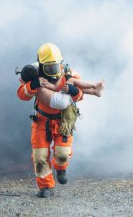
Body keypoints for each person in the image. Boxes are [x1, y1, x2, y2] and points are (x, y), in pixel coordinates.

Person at [17, 43, 85, 198]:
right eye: (49, 68)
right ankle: (45, 186)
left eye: (55, 67)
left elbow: (81, 95)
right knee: (40, 157)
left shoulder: (68, 73)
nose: (53, 71)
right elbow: (22, 94)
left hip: (63, 122)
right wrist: (32, 85)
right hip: (41, 121)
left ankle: (60, 168)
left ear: (60, 64)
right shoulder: (33, 74)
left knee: (63, 153)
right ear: (41, 65)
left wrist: (74, 91)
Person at [18, 63, 104, 110]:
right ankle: (94, 85)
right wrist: (62, 75)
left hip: (58, 102)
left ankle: (95, 91)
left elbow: (21, 80)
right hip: (60, 101)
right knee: (72, 81)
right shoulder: (40, 82)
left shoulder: (33, 84)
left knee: (73, 84)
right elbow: (55, 87)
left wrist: (74, 91)